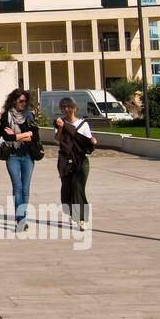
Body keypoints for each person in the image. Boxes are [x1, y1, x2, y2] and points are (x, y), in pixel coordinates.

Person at [0, 89, 41, 231]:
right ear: (14, 100)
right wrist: (24, 135)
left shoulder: (28, 115)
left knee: (25, 189)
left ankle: (23, 217)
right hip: (12, 156)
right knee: (17, 187)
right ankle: (20, 220)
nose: (24, 103)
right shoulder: (6, 116)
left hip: (28, 156)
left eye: (25, 101)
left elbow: (35, 136)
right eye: (21, 101)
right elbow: (6, 137)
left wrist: (16, 135)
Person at [54, 97, 95, 228]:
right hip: (65, 160)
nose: (66, 109)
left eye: (69, 106)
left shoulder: (83, 124)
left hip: (81, 160)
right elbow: (57, 139)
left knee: (78, 187)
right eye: (64, 107)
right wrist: (60, 128)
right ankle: (72, 213)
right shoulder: (59, 122)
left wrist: (93, 141)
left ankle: (81, 218)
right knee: (67, 188)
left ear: (75, 108)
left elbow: (88, 141)